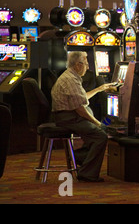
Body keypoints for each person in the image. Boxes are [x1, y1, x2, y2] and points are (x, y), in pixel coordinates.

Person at [51, 51, 113, 182]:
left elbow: (81, 99)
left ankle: (81, 159)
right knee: (100, 135)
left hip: (69, 116)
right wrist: (97, 122)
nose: (88, 67)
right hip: (69, 118)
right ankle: (87, 173)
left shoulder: (70, 76)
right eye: (86, 63)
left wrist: (99, 89)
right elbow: (79, 109)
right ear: (78, 65)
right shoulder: (70, 80)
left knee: (98, 132)